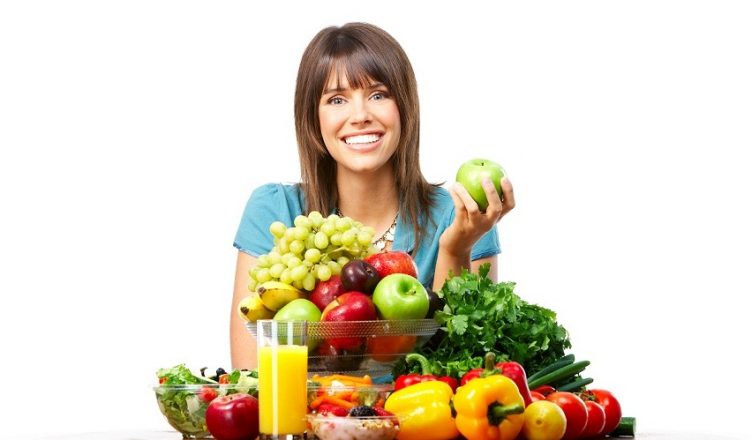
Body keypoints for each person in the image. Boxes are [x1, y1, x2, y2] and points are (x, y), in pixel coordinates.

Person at [230, 22, 515, 369]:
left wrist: (456, 250)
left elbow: (464, 372)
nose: (361, 116)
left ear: (405, 109)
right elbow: (251, 378)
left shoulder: (460, 216)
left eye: (378, 95)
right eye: (337, 99)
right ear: (312, 119)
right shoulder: (274, 211)